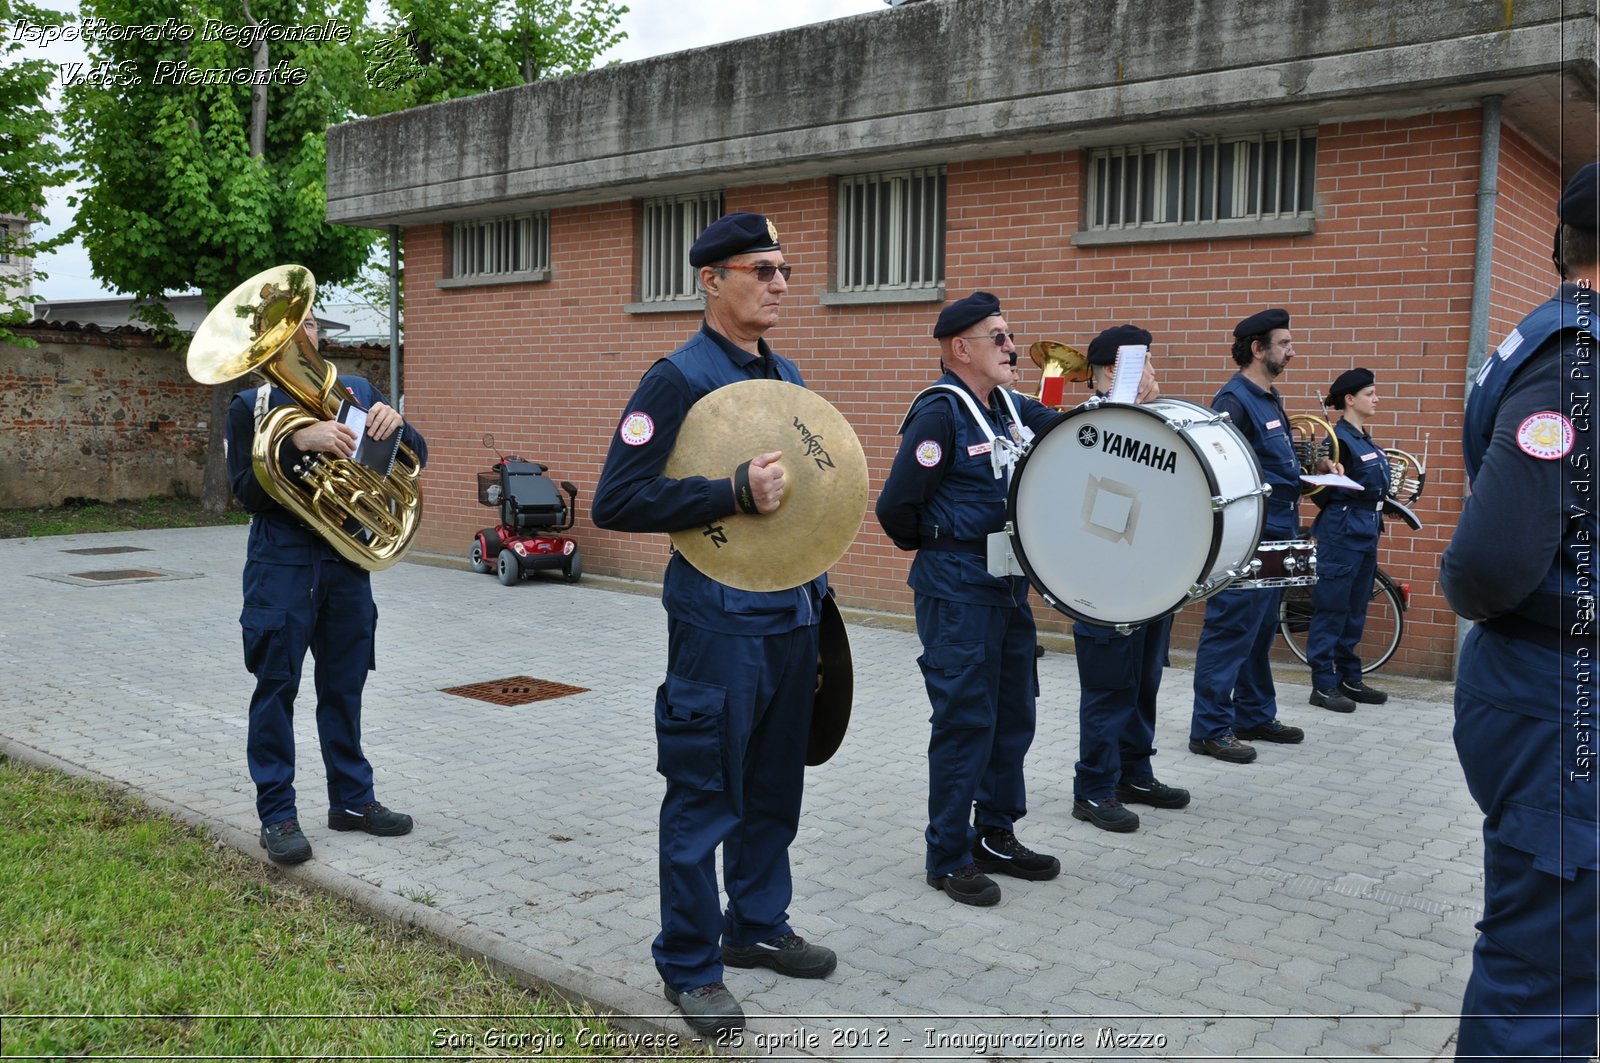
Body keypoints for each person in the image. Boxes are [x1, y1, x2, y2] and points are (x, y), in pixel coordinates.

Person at [591, 212, 836, 1037]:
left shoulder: (786, 371)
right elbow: (617, 498)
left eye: (784, 270)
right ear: (711, 280)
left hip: (790, 615)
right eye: (759, 268)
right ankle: (691, 966)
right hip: (718, 623)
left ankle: (757, 924)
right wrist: (728, 491)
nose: (777, 283)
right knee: (704, 795)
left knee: (773, 789)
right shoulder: (676, 378)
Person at [1440, 162, 1598, 1062]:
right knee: (1547, 969)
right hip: (1556, 694)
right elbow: (1490, 562)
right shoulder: (1577, 364)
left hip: (1547, 687)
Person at [876, 291, 1062, 907]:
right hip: (958, 589)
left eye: (1010, 336)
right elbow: (896, 507)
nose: (1014, 348)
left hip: (1008, 586)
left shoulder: (1009, 404)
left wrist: (1124, 405)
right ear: (962, 348)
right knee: (964, 721)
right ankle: (948, 855)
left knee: (1014, 715)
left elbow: (1065, 429)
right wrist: (945, 545)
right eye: (1001, 337)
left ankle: (997, 834)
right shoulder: (941, 413)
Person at [227, 313, 427, 867]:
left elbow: (411, 462)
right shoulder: (250, 408)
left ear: (318, 336)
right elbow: (246, 492)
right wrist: (296, 443)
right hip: (282, 559)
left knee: (345, 687)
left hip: (345, 557)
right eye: (285, 327)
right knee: (276, 688)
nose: (301, 335)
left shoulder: (358, 392)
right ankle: (278, 814)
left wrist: (397, 427)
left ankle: (354, 802)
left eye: (308, 323)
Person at [1069, 325, 1188, 833]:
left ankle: (1134, 772)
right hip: (1103, 578)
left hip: (1149, 576)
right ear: (1113, 372)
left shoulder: (1153, 420)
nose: (1153, 374)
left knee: (1144, 680)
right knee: (1108, 686)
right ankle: (1093, 788)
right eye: (1143, 364)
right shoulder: (1081, 425)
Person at [1188, 309, 1315, 763]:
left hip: (1281, 524)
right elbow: (1217, 469)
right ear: (1257, 349)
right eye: (1284, 343)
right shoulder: (1234, 400)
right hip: (1251, 531)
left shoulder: (1269, 396)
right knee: (1231, 626)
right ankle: (1209, 728)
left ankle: (1254, 714)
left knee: (1261, 629)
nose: (1292, 350)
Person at [1304, 368, 1391, 713]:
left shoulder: (1363, 439)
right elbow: (1318, 487)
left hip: (1367, 529)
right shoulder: (1336, 439)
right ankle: (1323, 685)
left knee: (1355, 608)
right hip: (1343, 532)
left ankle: (1348, 678)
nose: (1376, 399)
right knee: (1332, 607)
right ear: (1350, 400)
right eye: (1370, 393)